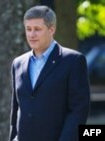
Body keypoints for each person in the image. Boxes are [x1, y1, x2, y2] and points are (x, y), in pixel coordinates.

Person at [9, 5, 90, 141]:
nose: (31, 34)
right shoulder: (18, 63)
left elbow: (78, 110)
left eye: (37, 29)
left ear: (51, 29)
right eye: (28, 29)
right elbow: (16, 110)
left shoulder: (73, 61)